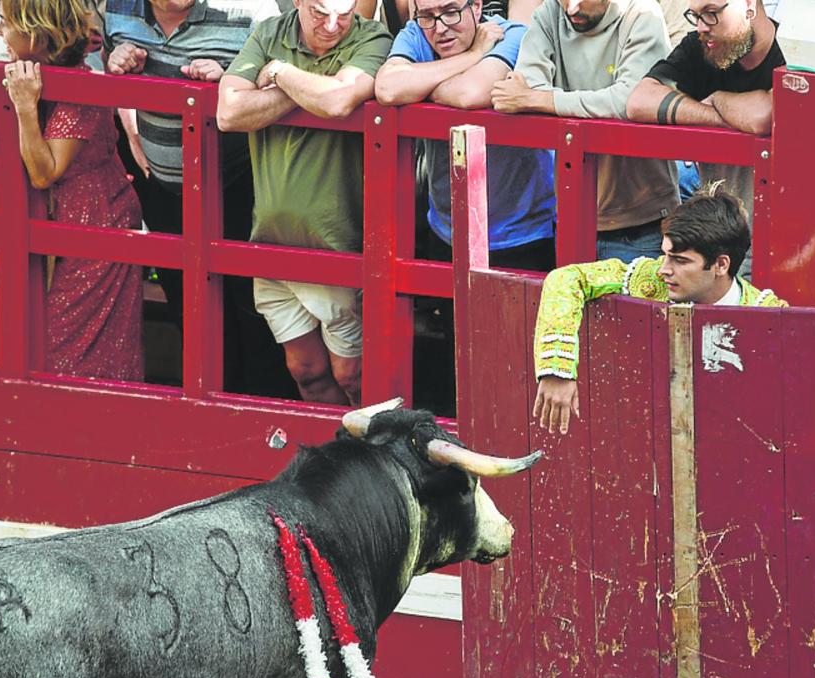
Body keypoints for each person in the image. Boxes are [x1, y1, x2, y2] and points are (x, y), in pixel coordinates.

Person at [104, 0, 295, 398]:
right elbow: (84, 52)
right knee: (188, 307)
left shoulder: (249, 8)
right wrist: (117, 67)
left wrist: (234, 79)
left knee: (255, 308)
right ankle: (208, 408)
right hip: (163, 188)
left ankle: (260, 417)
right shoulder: (117, 9)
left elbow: (292, 73)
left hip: (243, 183)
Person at [217, 0, 392, 406]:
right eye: (318, 12)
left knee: (353, 374)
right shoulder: (269, 33)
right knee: (306, 372)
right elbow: (229, 111)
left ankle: (371, 461)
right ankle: (332, 462)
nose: (332, 26)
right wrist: (315, 86)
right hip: (272, 238)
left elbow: (338, 102)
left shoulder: (372, 37)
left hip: (337, 239)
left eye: (343, 14)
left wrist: (279, 73)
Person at [532, 183, 786, 434]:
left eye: (680, 260)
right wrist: (557, 370)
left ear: (721, 265)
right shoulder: (650, 279)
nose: (664, 268)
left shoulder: (767, 315)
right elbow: (566, 278)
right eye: (665, 254)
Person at [0, 0, 144, 379]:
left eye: (7, 23)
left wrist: (25, 107)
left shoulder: (79, 88)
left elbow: (43, 172)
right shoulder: (36, 78)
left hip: (95, 227)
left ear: (38, 35)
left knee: (71, 353)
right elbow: (6, 161)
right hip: (59, 227)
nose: (0, 32)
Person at [489, 0, 681, 263]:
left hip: (641, 222)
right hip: (570, 219)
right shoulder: (550, 12)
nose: (571, 8)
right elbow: (527, 81)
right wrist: (541, 98)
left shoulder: (643, 14)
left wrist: (543, 100)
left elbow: (631, 101)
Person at [374, 0, 556, 271]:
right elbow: (388, 88)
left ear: (477, 7)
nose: (440, 28)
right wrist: (473, 56)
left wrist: (421, 89)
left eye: (450, 12)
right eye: (428, 16)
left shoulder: (513, 34)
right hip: (447, 230)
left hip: (523, 233)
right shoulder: (415, 33)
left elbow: (471, 92)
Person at [627, 0, 784, 276]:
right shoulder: (701, 47)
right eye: (696, 15)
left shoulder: (794, 48)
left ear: (749, 4)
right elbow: (639, 101)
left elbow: (763, 115)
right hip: (722, 252)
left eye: (712, 14)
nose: (702, 27)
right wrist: (719, 114)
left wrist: (719, 98)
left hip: (787, 250)